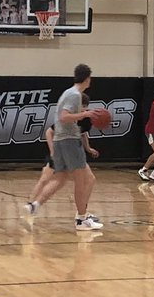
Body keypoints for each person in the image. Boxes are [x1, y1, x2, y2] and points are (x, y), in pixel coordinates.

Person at [22, 64, 103, 230]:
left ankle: (34, 205)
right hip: (69, 140)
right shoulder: (75, 95)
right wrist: (85, 114)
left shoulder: (68, 92)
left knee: (60, 178)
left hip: (59, 140)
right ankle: (81, 219)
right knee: (82, 180)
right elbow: (65, 117)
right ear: (87, 78)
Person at [29, 95, 100, 209]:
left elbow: (83, 133)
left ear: (85, 107)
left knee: (77, 180)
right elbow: (49, 132)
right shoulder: (67, 118)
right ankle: (31, 205)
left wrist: (88, 148)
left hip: (72, 152)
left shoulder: (86, 119)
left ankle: (33, 206)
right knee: (46, 179)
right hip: (61, 150)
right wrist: (53, 152)